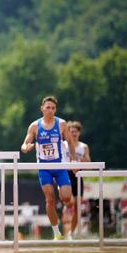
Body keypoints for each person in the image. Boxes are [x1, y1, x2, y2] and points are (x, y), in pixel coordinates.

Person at [21, 95, 76, 240]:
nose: (50, 110)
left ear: (55, 109)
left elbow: (70, 142)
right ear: (42, 109)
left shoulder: (61, 124)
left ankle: (60, 187)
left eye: (53, 108)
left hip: (59, 165)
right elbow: (24, 143)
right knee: (49, 200)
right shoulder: (34, 126)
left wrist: (74, 161)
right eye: (48, 108)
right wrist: (26, 147)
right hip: (44, 167)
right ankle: (57, 233)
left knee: (66, 197)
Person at [62, 121, 92, 238]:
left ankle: (71, 232)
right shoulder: (63, 145)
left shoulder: (83, 147)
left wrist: (84, 160)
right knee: (69, 202)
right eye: (71, 131)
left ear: (79, 133)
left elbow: (89, 163)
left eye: (75, 131)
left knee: (78, 206)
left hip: (78, 176)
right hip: (65, 174)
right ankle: (66, 206)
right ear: (67, 132)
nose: (73, 133)